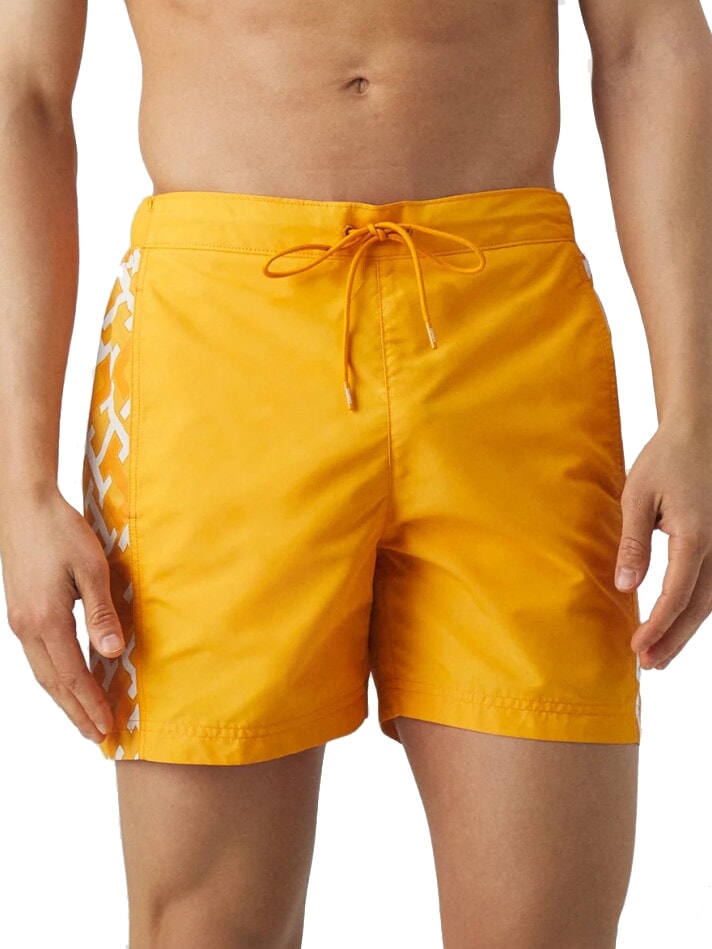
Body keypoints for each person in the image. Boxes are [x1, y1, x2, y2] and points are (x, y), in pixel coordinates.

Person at [1, 0, 711, 946]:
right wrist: (19, 482)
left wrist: (696, 413)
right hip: (217, 349)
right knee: (205, 926)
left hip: (508, 336)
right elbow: (23, 89)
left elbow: (648, 42)